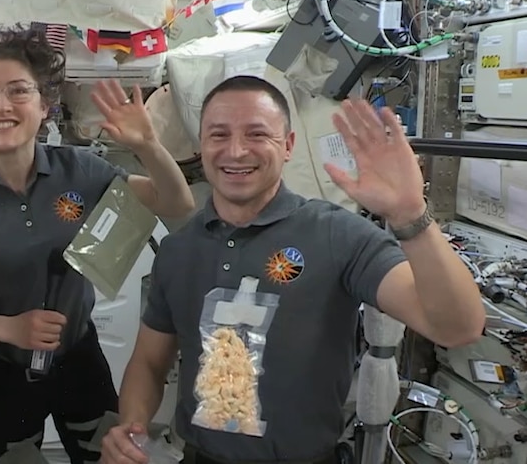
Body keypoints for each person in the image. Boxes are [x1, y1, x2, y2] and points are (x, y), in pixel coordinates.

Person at [100, 75, 486, 464]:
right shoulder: (179, 250)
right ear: (202, 147)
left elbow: (458, 327)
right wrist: (132, 427)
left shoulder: (338, 234)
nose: (235, 151)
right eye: (218, 135)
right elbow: (149, 362)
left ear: (287, 147)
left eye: (256, 134)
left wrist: (410, 214)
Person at [0, 26, 196, 463]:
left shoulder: (80, 170)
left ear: (44, 105)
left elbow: (177, 202)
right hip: (3, 372)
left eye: (18, 91)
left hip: (81, 359)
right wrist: (7, 328)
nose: (1, 105)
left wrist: (148, 145)